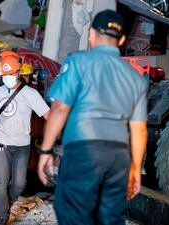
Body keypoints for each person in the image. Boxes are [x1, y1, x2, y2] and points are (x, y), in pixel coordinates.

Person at [37, 10, 148, 225]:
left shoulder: (78, 62)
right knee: (109, 219)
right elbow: (139, 129)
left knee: (73, 214)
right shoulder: (135, 77)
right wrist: (135, 167)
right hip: (118, 158)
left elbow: (59, 108)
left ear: (91, 34)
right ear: (122, 39)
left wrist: (46, 150)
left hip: (84, 151)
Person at [0, 55, 50, 225]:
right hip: (0, 142)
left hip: (22, 145)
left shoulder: (31, 94)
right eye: (4, 75)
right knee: (0, 181)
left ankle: (7, 203)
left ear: (17, 73)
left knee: (18, 183)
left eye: (10, 74)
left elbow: (48, 115)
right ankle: (2, 217)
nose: (7, 78)